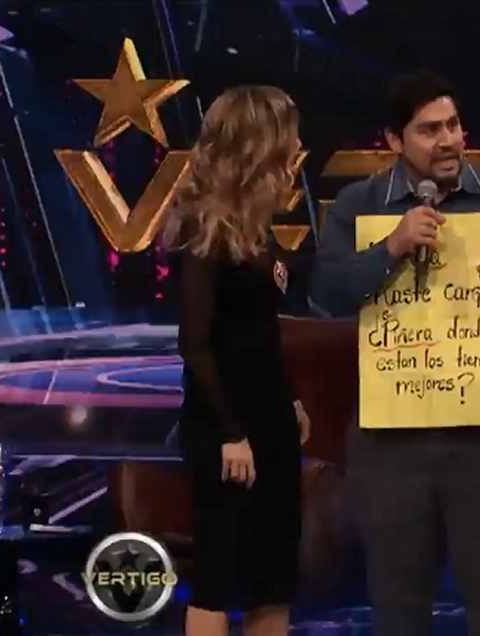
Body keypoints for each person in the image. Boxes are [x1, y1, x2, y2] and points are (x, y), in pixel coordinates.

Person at [310, 70, 480, 636]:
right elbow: (327, 296)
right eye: (429, 129)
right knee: (399, 614)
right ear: (393, 140)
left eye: (454, 125)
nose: (448, 140)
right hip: (390, 450)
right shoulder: (358, 204)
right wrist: (389, 248)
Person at [162, 85, 310, 636]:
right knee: (219, 574)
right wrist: (231, 433)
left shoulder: (257, 228)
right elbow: (196, 342)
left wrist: (289, 400)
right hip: (226, 431)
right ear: (258, 144)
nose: (295, 148)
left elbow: (260, 333)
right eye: (288, 136)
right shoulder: (203, 227)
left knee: (274, 577)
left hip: (270, 423)